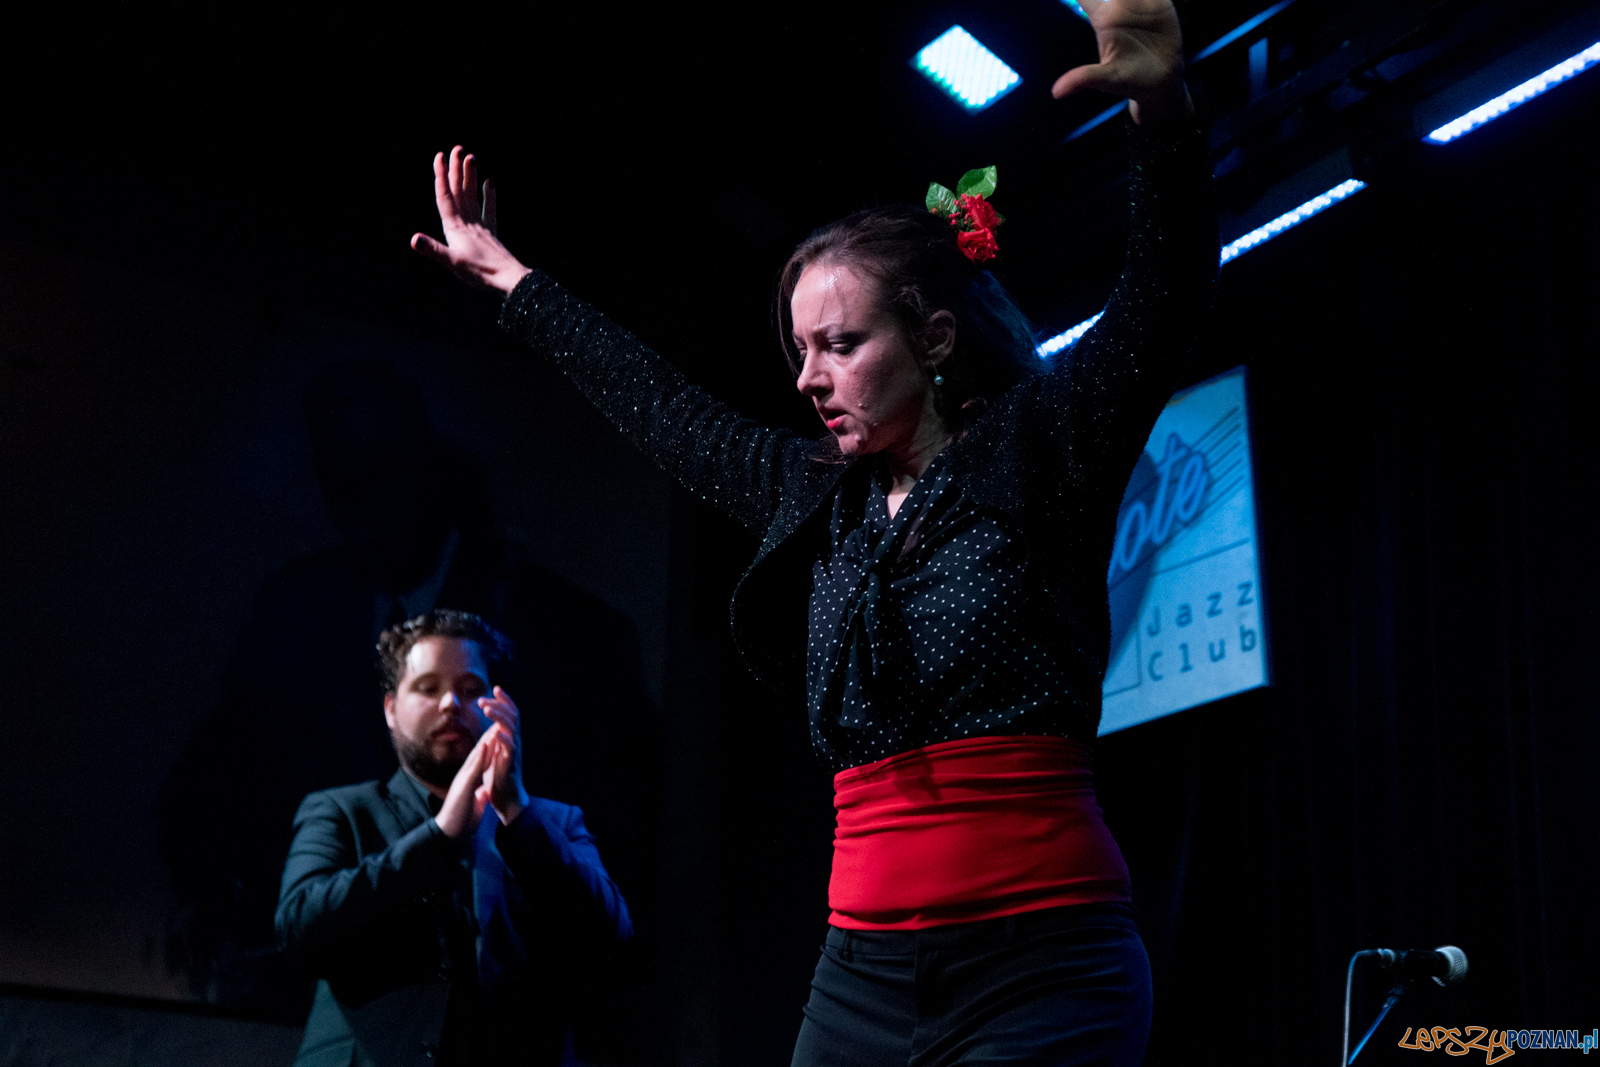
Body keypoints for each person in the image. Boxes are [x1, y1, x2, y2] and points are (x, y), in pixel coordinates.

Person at [410, 0, 1215, 1061]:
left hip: (1041, 958)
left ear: (931, 336)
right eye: (799, 348)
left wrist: (1162, 109)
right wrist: (511, 281)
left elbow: (1159, 296)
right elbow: (662, 405)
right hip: (862, 969)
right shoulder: (814, 491)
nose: (807, 378)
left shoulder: (1041, 447)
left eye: (839, 343)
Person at [154, 362, 656, 1022]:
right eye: (341, 477)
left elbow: (620, 897)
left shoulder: (567, 633)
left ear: (427, 468)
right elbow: (213, 791)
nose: (364, 503)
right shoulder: (300, 610)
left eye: (384, 471)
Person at [275, 609, 632, 1067]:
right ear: (390, 708)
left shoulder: (553, 823)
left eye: (471, 690)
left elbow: (610, 939)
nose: (450, 704)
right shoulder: (341, 811)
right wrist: (440, 838)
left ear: (502, 707)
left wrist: (517, 812)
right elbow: (299, 929)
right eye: (428, 688)